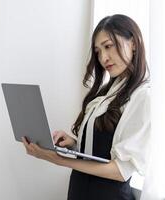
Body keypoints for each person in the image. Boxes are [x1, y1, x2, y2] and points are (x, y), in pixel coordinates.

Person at [21, 14, 151, 200]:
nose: (103, 57)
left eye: (108, 46)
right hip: (79, 190)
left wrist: (56, 158)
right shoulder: (108, 92)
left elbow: (120, 171)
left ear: (134, 44)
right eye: (98, 51)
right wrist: (74, 143)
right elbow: (104, 149)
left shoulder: (143, 96)